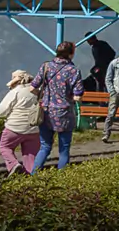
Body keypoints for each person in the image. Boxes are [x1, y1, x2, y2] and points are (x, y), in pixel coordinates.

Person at [31, 41, 84, 170]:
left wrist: (43, 96)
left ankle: (33, 174)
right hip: (64, 113)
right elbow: (78, 96)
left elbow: (32, 88)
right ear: (71, 54)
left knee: (45, 146)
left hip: (46, 110)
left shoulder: (46, 67)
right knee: (64, 149)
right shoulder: (73, 71)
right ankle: (61, 176)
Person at [0, 70, 41, 176]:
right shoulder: (38, 91)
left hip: (14, 128)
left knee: (5, 147)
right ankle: (31, 177)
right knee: (31, 154)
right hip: (34, 128)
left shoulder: (15, 92)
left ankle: (13, 164)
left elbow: (0, 112)